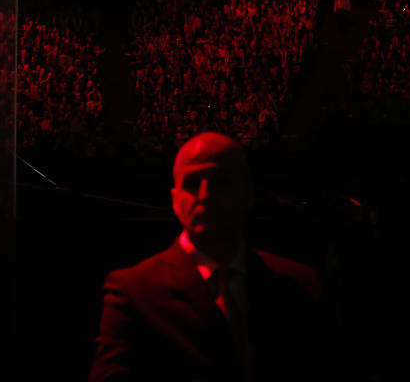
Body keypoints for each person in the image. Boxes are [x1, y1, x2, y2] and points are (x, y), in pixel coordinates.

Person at [88, 132, 325, 382]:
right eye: (191, 182)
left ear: (249, 194)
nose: (205, 194)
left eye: (219, 180)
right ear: (175, 200)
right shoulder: (132, 292)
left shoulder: (301, 285)